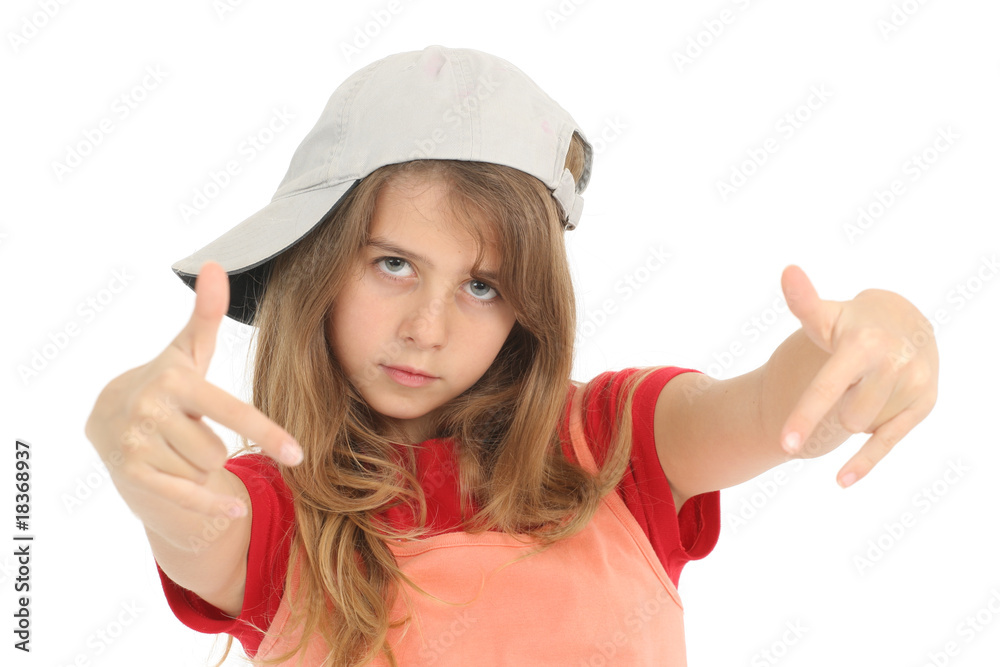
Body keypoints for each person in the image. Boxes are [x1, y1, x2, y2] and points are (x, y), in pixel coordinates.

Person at [84, 45, 939, 666]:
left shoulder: (615, 444)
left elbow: (765, 407)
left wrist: (884, 342)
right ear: (317, 266)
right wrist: (141, 449)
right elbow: (191, 520)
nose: (428, 327)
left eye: (482, 284)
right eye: (393, 264)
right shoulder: (273, 516)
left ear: (529, 307)